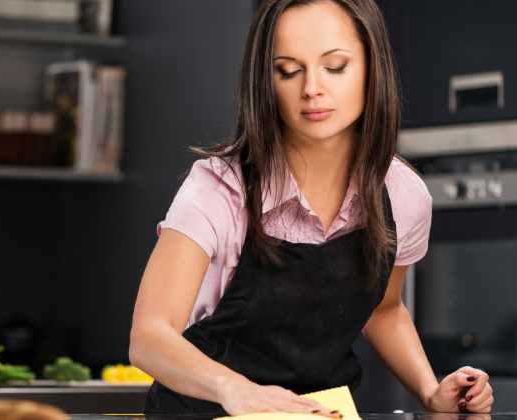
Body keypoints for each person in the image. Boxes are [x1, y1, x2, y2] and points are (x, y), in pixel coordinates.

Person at [129, 0, 495, 417]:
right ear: (265, 81)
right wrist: (237, 391)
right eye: (288, 70)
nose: (312, 88)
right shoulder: (219, 189)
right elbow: (149, 337)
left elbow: (385, 310)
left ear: (372, 69)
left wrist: (432, 392)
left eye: (335, 66)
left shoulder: (402, 193)